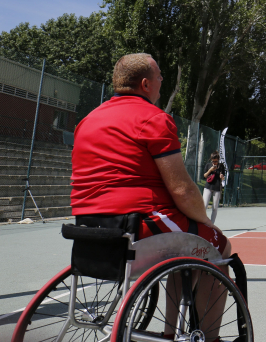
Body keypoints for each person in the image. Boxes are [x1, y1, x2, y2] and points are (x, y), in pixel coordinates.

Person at [71, 53, 231, 338]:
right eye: (159, 77)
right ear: (145, 84)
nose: (161, 82)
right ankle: (203, 336)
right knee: (219, 247)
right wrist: (207, 223)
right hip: (138, 224)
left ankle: (172, 330)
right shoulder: (154, 119)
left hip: (87, 225)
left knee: (184, 247)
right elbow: (182, 190)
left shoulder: (87, 120)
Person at [202, 151, 225, 224]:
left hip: (217, 188)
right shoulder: (208, 165)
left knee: (215, 207)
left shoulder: (221, 166)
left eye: (216, 161)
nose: (215, 162)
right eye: (213, 161)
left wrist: (222, 177)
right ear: (211, 160)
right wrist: (210, 170)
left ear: (218, 160)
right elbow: (204, 176)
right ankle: (203, 222)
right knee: (204, 205)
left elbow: (223, 177)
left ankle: (211, 224)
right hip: (208, 187)